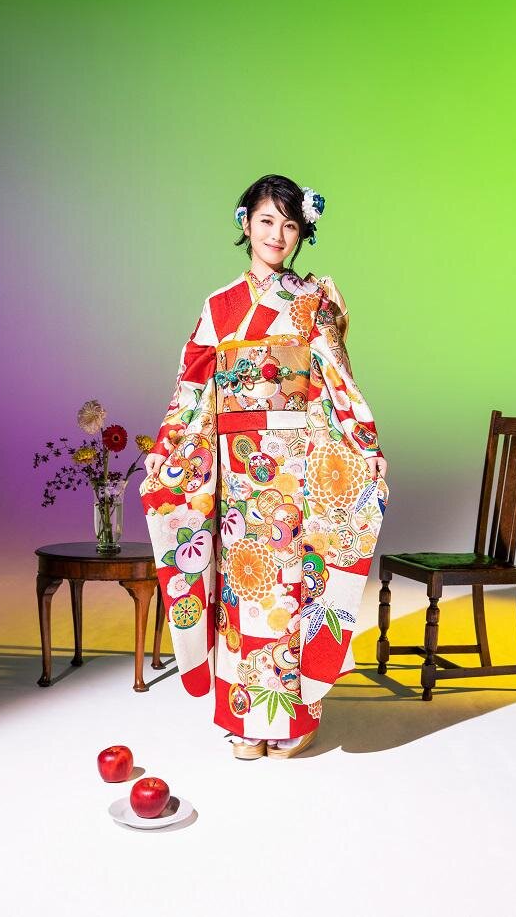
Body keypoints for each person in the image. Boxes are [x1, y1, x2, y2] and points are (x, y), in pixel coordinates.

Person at [140, 174, 389, 760]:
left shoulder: (314, 300)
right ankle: (245, 717)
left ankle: (295, 717)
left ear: (302, 234)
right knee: (242, 590)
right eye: (267, 221)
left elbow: (337, 384)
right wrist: (170, 449)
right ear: (246, 223)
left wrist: (361, 443)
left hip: (295, 468)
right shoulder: (218, 306)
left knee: (289, 587)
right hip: (235, 471)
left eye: (290, 224)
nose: (278, 234)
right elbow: (192, 390)